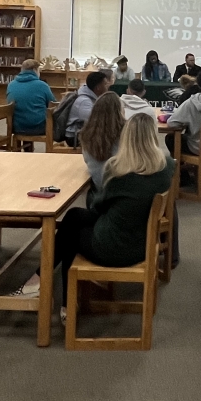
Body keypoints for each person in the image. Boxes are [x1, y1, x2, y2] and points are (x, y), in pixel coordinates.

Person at [13, 114, 173, 316]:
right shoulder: (167, 167)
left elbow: (98, 208)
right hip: (143, 244)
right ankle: (41, 284)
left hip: (113, 248)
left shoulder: (119, 172)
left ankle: (63, 301)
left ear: (127, 138)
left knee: (70, 233)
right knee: (73, 217)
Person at [80, 93, 127, 205]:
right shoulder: (127, 132)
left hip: (101, 192)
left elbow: (87, 161)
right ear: (120, 112)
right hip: (124, 190)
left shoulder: (87, 134)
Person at [6, 59, 56, 136]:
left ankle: (27, 147)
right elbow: (53, 104)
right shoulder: (42, 85)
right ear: (34, 70)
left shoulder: (11, 85)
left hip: (17, 127)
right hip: (39, 127)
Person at [63, 71, 111, 145]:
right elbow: (95, 121)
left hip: (82, 133)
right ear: (98, 88)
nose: (107, 87)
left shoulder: (91, 97)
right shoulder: (84, 102)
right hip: (75, 137)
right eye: (105, 84)